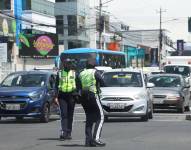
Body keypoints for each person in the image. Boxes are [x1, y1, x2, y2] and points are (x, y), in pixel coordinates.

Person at [78, 59, 106, 147]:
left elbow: (78, 85)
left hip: (83, 97)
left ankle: (88, 141)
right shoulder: (95, 72)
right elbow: (103, 82)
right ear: (94, 65)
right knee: (101, 117)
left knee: (89, 118)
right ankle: (96, 139)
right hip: (92, 95)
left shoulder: (81, 73)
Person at [55, 58, 78, 140]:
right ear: (64, 64)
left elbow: (78, 85)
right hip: (62, 96)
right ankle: (63, 133)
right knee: (64, 114)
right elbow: (56, 85)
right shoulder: (60, 73)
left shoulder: (74, 73)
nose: (68, 65)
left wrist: (77, 94)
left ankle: (69, 133)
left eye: (69, 63)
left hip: (71, 96)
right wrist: (55, 97)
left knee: (70, 115)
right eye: (66, 63)